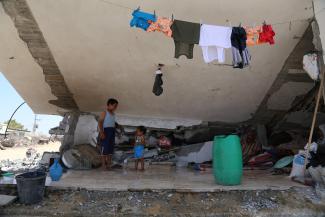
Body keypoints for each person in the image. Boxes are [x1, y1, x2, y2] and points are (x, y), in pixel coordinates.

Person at [98, 98, 120, 170]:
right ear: (109, 104)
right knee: (104, 149)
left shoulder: (113, 114)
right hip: (105, 132)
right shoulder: (104, 112)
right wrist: (101, 132)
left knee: (110, 149)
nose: (115, 108)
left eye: (116, 106)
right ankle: (104, 165)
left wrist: (117, 131)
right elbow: (100, 122)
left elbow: (113, 124)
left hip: (112, 132)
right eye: (114, 106)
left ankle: (109, 165)